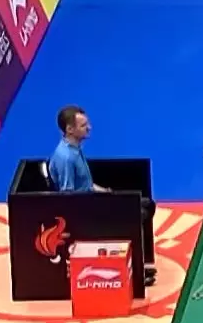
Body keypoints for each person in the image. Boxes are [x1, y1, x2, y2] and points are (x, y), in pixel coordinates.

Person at [51, 105, 158, 283]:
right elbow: (68, 196)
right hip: (85, 211)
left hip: (93, 200)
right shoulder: (66, 158)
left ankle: (139, 262)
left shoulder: (75, 149)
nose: (89, 127)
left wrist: (106, 193)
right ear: (70, 129)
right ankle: (134, 274)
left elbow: (85, 184)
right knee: (137, 214)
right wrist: (102, 205)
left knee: (147, 204)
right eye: (83, 125)